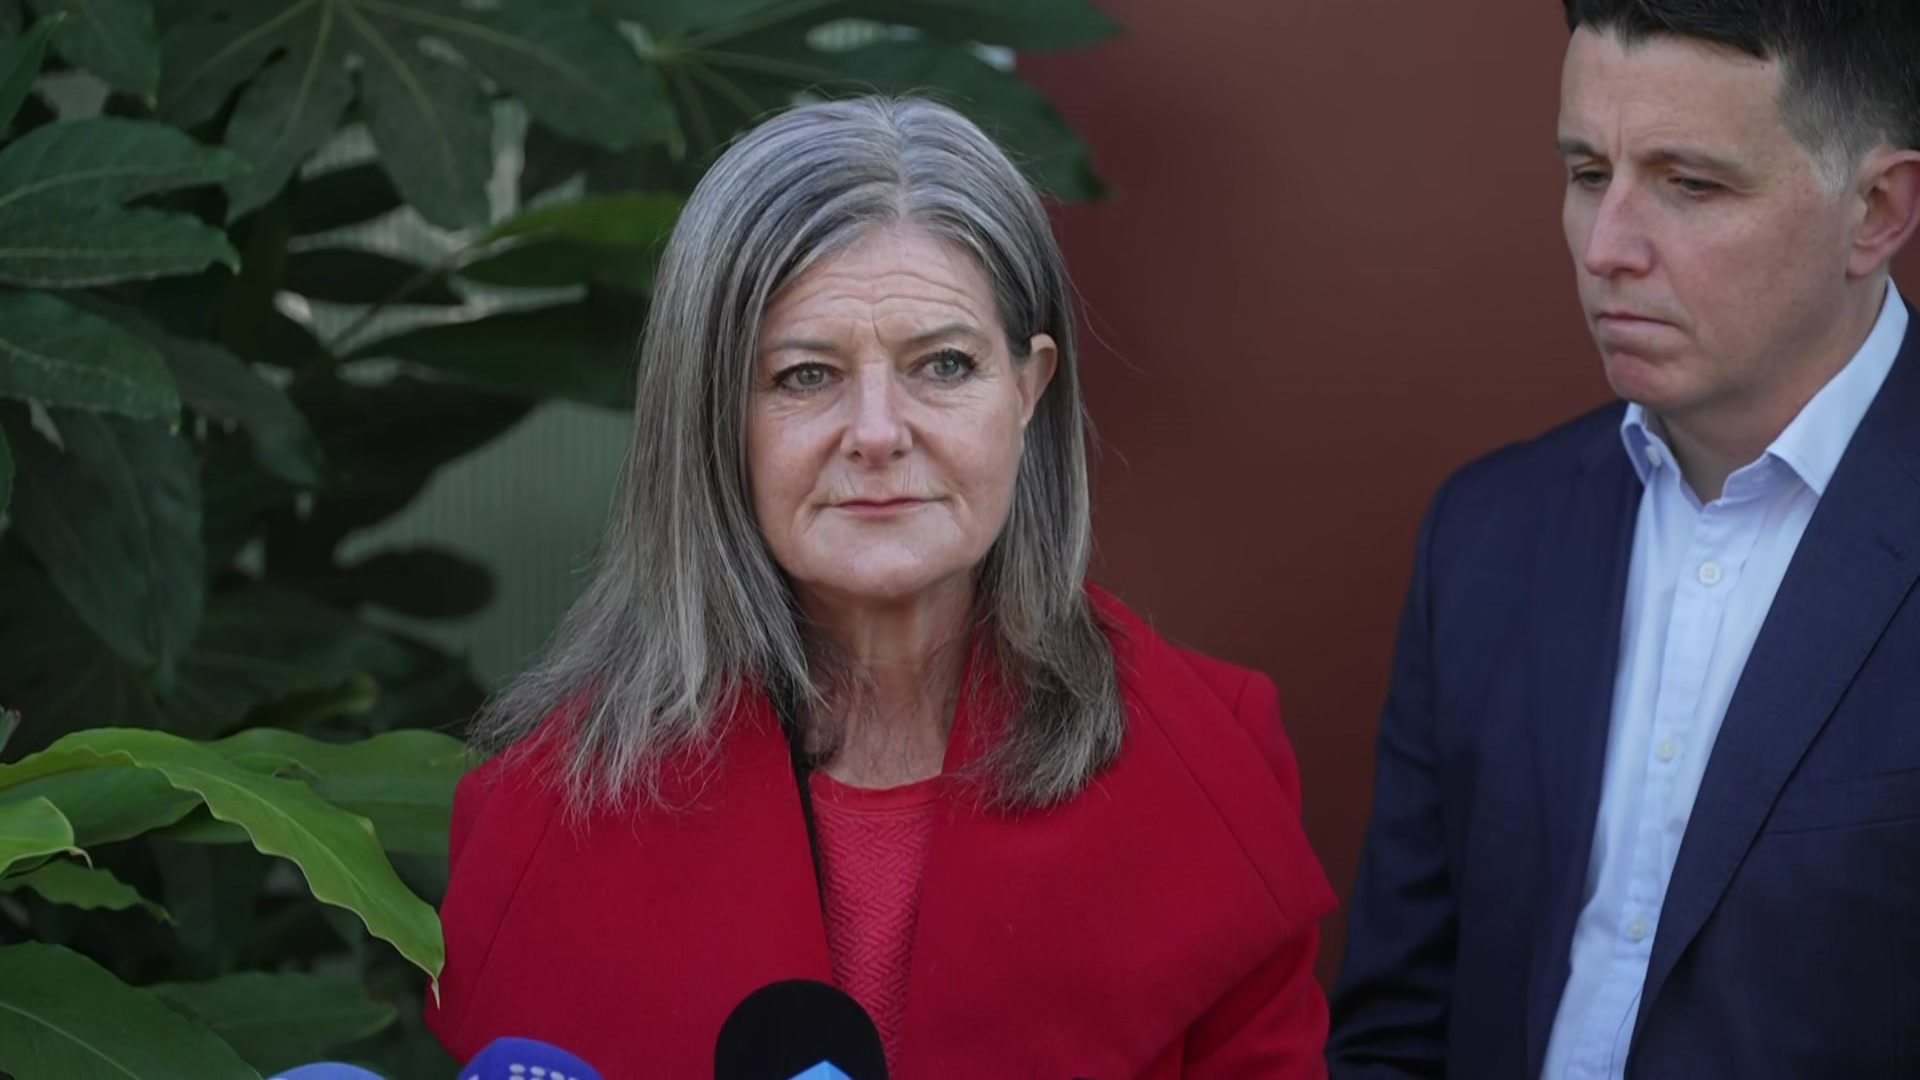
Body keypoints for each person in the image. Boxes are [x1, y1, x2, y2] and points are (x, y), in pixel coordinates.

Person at [426, 96, 1336, 1077]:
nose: (876, 431)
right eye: (805, 376)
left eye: (943, 364)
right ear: (714, 416)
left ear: (1028, 391)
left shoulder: (1210, 759)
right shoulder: (536, 817)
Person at [1327, 2, 1920, 1077]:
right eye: (1588, 173)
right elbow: (1396, 1023)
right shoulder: (1486, 537)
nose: (1607, 250)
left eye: (1690, 185)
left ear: (1877, 208)